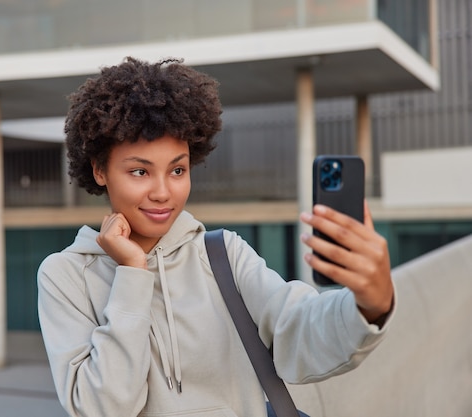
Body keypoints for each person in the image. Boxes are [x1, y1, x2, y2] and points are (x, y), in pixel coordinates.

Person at [37, 57, 395, 417]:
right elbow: (102, 408)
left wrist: (371, 304)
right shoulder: (65, 276)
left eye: (177, 169)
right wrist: (132, 273)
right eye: (139, 171)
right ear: (100, 170)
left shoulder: (222, 254)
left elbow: (298, 326)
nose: (163, 192)